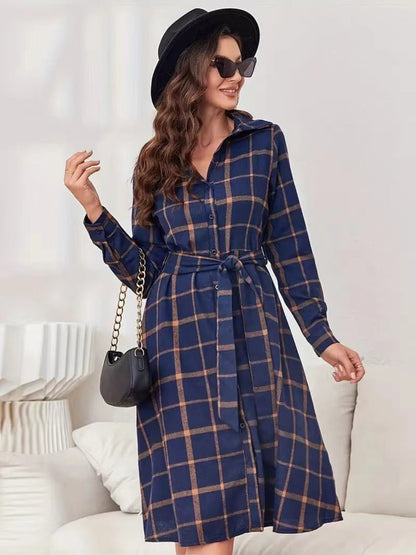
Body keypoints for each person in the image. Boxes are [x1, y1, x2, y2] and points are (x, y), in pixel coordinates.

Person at [64, 8, 365, 555]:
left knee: (211, 518)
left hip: (251, 333)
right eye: (222, 65)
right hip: (178, 342)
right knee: (198, 517)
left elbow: (290, 247)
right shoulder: (155, 162)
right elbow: (145, 273)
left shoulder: (264, 143)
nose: (237, 76)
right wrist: (93, 210)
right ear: (191, 69)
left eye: (243, 64)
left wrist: (322, 338)